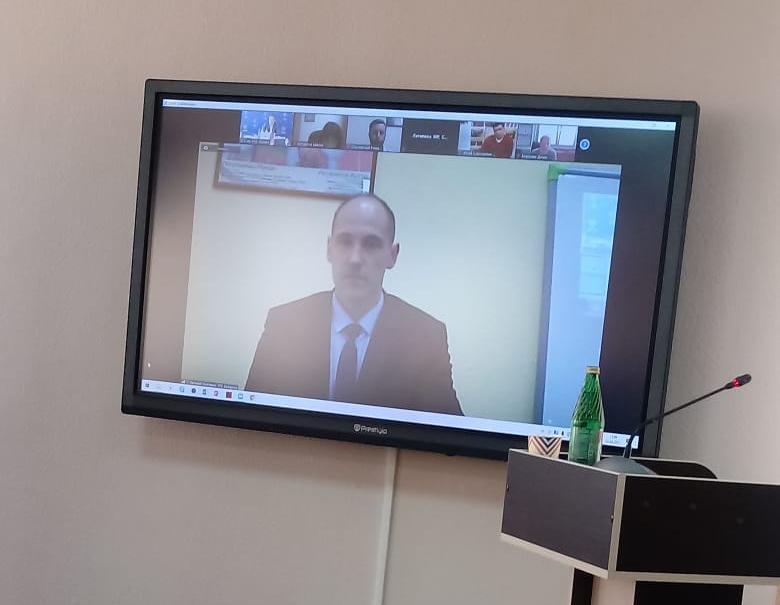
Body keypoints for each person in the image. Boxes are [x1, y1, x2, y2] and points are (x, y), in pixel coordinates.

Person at [245, 194, 462, 415]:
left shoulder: (425, 337)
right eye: (345, 242)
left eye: (371, 244)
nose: (355, 258)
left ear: (392, 255)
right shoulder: (284, 324)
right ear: (329, 249)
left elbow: (446, 429)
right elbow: (249, 415)